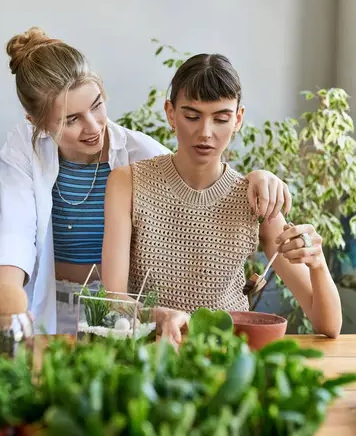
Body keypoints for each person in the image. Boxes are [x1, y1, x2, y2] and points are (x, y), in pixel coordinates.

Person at [0, 28, 291, 335]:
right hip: (56, 300)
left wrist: (256, 177)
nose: (93, 127)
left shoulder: (138, 152)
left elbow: (198, 175)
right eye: (71, 119)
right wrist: (5, 300)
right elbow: (16, 230)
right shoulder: (24, 148)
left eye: (96, 105)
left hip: (121, 307)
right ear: (35, 122)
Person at [102, 53, 342, 343]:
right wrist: (159, 316)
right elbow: (113, 306)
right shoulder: (128, 182)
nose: (205, 133)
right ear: (170, 113)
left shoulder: (255, 197)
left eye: (221, 118)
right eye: (192, 116)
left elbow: (328, 324)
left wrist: (317, 263)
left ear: (238, 119)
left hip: (227, 361)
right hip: (152, 357)